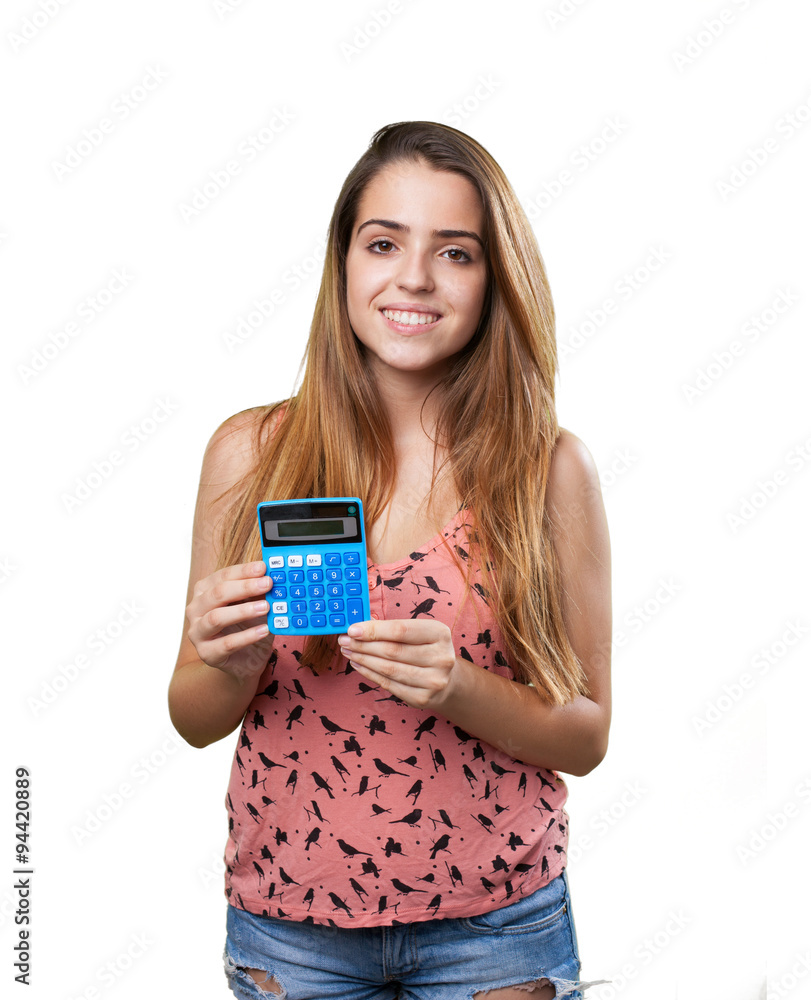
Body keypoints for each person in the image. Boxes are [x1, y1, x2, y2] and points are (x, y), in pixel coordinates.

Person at [169, 120, 612, 1000]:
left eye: (455, 252)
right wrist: (229, 661)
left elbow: (587, 734)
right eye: (383, 243)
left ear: (494, 278)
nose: (413, 277)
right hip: (290, 928)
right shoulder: (251, 453)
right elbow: (192, 716)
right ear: (342, 263)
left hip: (495, 929)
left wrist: (458, 687)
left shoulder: (548, 467)